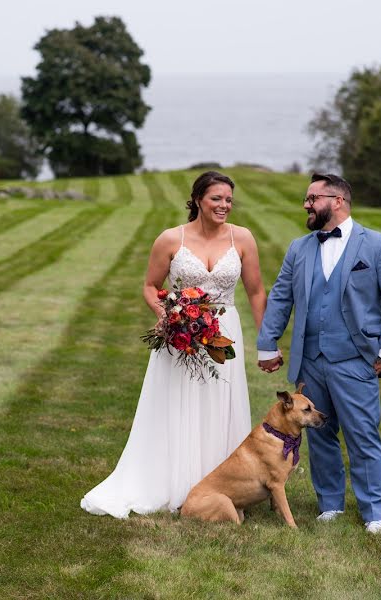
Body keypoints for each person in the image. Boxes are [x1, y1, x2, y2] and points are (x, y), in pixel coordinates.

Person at [81, 171, 267, 518]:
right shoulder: (170, 239)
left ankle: (221, 487)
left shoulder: (242, 238)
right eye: (216, 198)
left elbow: (256, 291)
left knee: (219, 405)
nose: (224, 205)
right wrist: (172, 313)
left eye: (228, 200)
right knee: (177, 404)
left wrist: (266, 340)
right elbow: (151, 286)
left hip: (224, 333)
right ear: (198, 199)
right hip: (180, 335)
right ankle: (173, 482)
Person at [257, 173, 381, 534]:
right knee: (318, 434)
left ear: (338, 201)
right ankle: (330, 504)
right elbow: (281, 297)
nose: (306, 205)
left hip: (356, 359)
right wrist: (268, 343)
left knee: (362, 433)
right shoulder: (299, 248)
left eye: (312, 198)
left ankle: (375, 511)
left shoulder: (377, 245)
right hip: (310, 362)